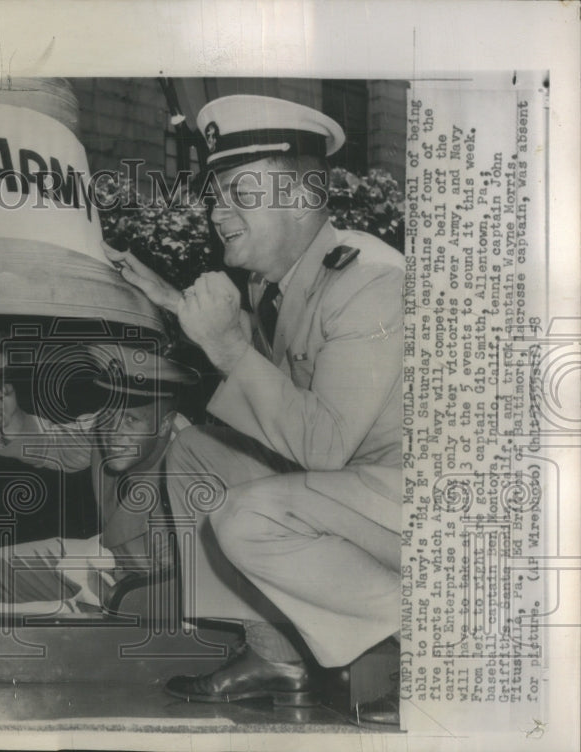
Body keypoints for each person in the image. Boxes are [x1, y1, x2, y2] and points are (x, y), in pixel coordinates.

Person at [104, 95, 403, 723]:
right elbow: (278, 403)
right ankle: (276, 657)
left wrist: (226, 345)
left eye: (238, 192)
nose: (217, 212)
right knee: (194, 453)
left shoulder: (372, 279)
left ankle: (423, 643)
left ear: (299, 198)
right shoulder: (282, 282)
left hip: (428, 514)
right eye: (216, 194)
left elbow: (322, 446)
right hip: (367, 498)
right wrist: (182, 312)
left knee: (248, 516)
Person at [0, 345, 197, 613]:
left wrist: (77, 610)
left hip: (153, 598)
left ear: (164, 425)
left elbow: (178, 596)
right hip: (111, 561)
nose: (113, 432)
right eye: (108, 415)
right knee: (0, 565)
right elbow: (53, 443)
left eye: (130, 420)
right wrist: (11, 419)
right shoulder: (110, 427)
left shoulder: (191, 475)